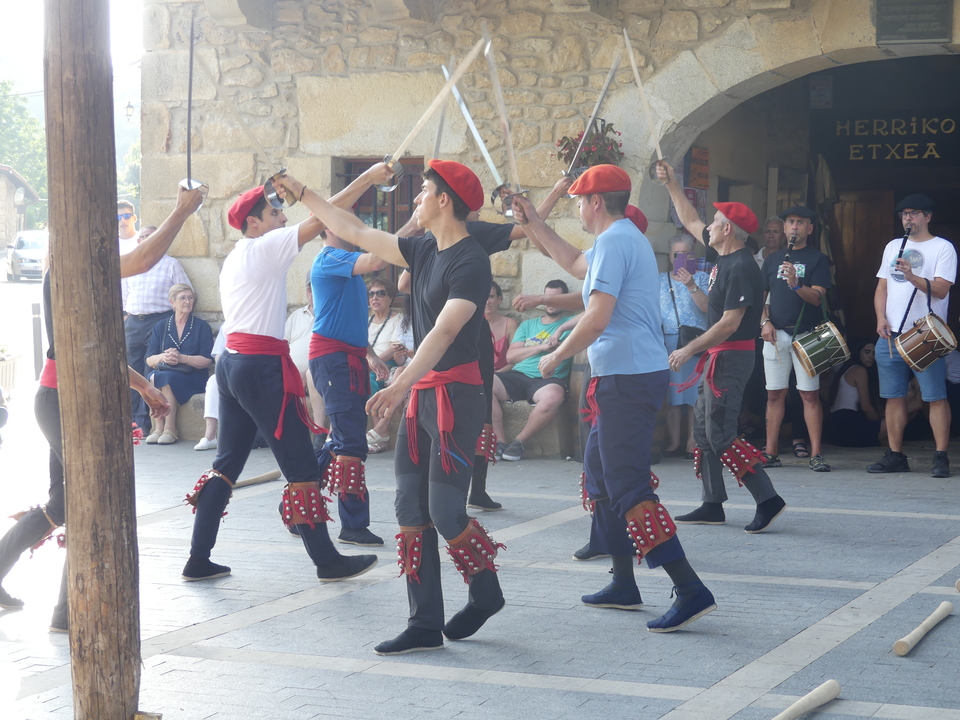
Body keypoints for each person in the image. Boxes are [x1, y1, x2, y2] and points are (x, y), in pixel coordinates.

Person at [278, 159, 508, 655]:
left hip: (457, 395)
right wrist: (301, 191)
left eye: (424, 190)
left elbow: (444, 332)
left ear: (444, 200)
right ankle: (424, 623)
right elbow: (354, 230)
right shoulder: (421, 249)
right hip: (422, 392)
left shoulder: (471, 261)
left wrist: (400, 383)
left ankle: (486, 588)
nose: (417, 198)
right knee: (409, 506)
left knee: (445, 509)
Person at [513, 164, 717, 633]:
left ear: (595, 202)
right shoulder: (622, 239)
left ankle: (689, 588)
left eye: (578, 202)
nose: (577, 211)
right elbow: (572, 262)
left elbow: (597, 316)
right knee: (600, 470)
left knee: (628, 486)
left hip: (628, 376)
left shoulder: (615, 242)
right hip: (625, 375)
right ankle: (623, 582)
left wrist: (557, 353)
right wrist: (534, 221)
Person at [0, 184, 203, 627]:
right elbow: (145, 260)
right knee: (86, 497)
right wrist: (181, 212)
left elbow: (100, 350)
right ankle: (65, 611)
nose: (112, 231)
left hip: (66, 399)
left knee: (66, 504)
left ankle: (62, 611)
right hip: (60, 400)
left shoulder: (76, 264)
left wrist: (144, 388)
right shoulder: (73, 264)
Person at [180, 165, 393, 583]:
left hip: (233, 366)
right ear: (254, 223)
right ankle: (328, 562)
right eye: (275, 213)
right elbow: (325, 213)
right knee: (301, 467)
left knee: (226, 465)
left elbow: (320, 216)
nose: (283, 218)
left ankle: (198, 558)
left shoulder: (235, 256)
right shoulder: (264, 247)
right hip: (260, 368)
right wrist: (369, 178)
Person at [657, 160, 788, 535]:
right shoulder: (723, 256)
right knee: (703, 430)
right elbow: (689, 219)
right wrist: (671, 183)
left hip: (731, 357)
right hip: (718, 357)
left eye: (714, 222)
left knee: (721, 433)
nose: (708, 227)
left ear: (727, 229)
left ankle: (768, 498)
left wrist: (689, 349)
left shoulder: (742, 266)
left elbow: (730, 322)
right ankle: (712, 503)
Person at [308, 227, 389, 547]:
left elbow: (347, 319)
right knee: (351, 443)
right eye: (345, 220)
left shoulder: (346, 264)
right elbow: (378, 259)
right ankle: (353, 525)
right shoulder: (330, 258)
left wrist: (370, 355)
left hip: (349, 359)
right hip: (333, 360)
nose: (354, 227)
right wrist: (412, 225)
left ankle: (298, 501)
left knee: (346, 439)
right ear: (330, 227)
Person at [869, 193, 956, 477]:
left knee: (934, 396)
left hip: (925, 333)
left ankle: (941, 456)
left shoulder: (942, 247)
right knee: (893, 397)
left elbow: (941, 289)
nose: (908, 218)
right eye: (904, 214)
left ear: (927, 217)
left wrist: (911, 276)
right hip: (891, 333)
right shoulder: (893, 246)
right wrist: (880, 318)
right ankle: (895, 455)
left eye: (914, 213)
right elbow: (882, 287)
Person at [759, 206, 832, 472]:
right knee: (774, 394)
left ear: (809, 229)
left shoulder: (818, 259)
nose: (794, 227)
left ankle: (816, 454)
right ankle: (771, 452)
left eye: (800, 223)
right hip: (775, 334)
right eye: (790, 222)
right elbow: (760, 298)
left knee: (809, 395)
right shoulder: (772, 259)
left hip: (807, 335)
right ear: (784, 227)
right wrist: (764, 322)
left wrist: (796, 283)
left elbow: (817, 297)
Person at [122, 224, 193, 433]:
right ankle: (130, 421)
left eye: (152, 237)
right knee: (128, 370)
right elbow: (123, 294)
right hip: (133, 321)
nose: (147, 240)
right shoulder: (131, 265)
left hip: (159, 321)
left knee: (150, 371)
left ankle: (146, 424)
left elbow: (185, 291)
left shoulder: (171, 264)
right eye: (144, 236)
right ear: (139, 241)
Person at [492, 280, 572, 462]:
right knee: (482, 383)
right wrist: (542, 347)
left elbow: (590, 313)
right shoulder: (528, 325)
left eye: (556, 298)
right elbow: (511, 357)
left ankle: (518, 443)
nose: (550, 302)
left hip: (548, 379)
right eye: (547, 298)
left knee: (554, 396)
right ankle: (499, 442)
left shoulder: (570, 324)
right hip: (518, 375)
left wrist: (561, 329)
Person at [143, 284, 213, 444]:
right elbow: (149, 359)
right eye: (183, 298)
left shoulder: (201, 326)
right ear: (172, 302)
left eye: (190, 298)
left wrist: (182, 358)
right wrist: (164, 357)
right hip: (166, 371)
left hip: (194, 376)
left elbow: (207, 360)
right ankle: (158, 428)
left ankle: (170, 428)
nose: (187, 302)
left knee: (167, 378)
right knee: (154, 377)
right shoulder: (161, 326)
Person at [659, 235, 709, 457]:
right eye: (677, 254)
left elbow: (707, 308)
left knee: (693, 395)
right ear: (670, 257)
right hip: (667, 343)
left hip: (694, 343)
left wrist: (691, 285)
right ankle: (674, 441)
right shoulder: (660, 281)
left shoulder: (703, 278)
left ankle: (692, 441)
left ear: (693, 256)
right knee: (672, 395)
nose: (681, 258)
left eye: (687, 254)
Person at [285, 274, 329, 451]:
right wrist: (291, 372)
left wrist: (304, 372)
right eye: (310, 288)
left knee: (312, 374)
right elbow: (283, 345)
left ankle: (319, 431)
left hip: (321, 370)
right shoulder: (296, 316)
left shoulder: (330, 312)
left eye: (317, 287)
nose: (313, 292)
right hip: (292, 373)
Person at [824, 341, 887, 447]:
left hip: (832, 427)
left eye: (874, 353)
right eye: (867, 352)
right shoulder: (859, 370)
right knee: (894, 422)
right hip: (847, 424)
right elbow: (866, 407)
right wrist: (880, 423)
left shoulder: (845, 369)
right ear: (857, 352)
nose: (871, 357)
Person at [195, 331, 226, 451]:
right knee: (213, 380)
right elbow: (218, 356)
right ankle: (210, 436)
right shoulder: (227, 326)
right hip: (232, 369)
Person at [486, 281, 518, 372]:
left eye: (491, 296)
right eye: (484, 296)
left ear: (499, 299)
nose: (487, 302)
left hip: (503, 375)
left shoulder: (510, 324)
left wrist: (496, 375)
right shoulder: (472, 324)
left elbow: (515, 359)